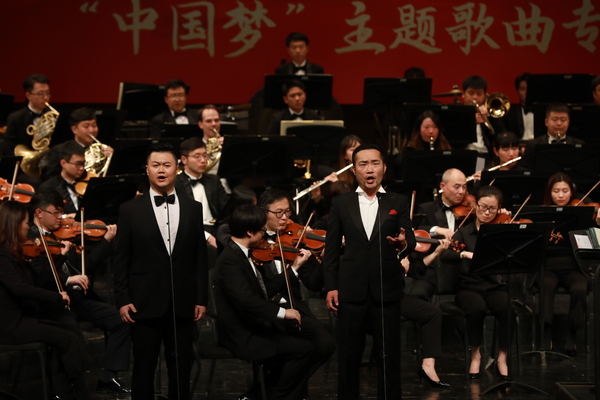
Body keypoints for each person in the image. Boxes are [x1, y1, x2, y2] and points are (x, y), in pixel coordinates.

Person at [324, 144, 447, 399]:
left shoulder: (397, 201)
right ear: (354, 170)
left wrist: (403, 244)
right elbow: (332, 250)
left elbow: (410, 240)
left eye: (375, 163)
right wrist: (331, 286)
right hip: (351, 290)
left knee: (389, 356)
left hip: (387, 290)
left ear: (384, 168)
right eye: (363, 164)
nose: (369, 169)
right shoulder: (341, 203)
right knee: (348, 356)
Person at [113, 143, 208, 400]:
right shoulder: (130, 209)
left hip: (183, 302)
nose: (161, 170)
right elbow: (121, 259)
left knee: (181, 368)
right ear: (147, 170)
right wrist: (122, 299)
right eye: (155, 165)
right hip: (143, 302)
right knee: (144, 368)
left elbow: (199, 257)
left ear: (177, 168)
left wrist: (201, 298)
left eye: (167, 165)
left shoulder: (193, 208)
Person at [214, 204, 334, 400]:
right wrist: (283, 313)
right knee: (302, 350)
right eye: (261, 230)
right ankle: (278, 396)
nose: (264, 235)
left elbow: (265, 289)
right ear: (249, 232)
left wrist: (293, 269)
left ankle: (266, 395)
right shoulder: (230, 260)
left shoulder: (243, 253)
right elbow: (246, 300)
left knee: (314, 346)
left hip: (257, 324)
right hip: (242, 333)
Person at [28, 188, 131, 393]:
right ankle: (68, 388)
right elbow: (39, 278)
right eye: (56, 213)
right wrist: (67, 276)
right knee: (71, 334)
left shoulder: (66, 235)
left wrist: (106, 242)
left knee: (122, 319)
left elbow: (87, 266)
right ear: (39, 213)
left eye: (61, 213)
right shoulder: (30, 240)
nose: (61, 218)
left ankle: (108, 377)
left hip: (76, 299)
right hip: (51, 303)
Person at [0, 201, 91, 400]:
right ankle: (79, 393)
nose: (28, 227)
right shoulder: (3, 255)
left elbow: (38, 280)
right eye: (25, 222)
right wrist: (56, 296)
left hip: (24, 318)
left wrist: (58, 260)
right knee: (67, 339)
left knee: (71, 331)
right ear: (14, 224)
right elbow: (20, 288)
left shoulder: (17, 253)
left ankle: (65, 391)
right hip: (10, 325)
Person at [441, 185, 511, 380]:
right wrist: (464, 254)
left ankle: (502, 357)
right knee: (475, 309)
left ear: (499, 209)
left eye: (492, 209)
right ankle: (475, 354)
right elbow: (446, 255)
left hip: (495, 286)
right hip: (469, 287)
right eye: (483, 207)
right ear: (475, 206)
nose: (487, 213)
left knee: (507, 307)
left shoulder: (501, 232)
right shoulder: (464, 232)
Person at [537, 173, 591, 355]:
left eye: (565, 191)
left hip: (572, 266)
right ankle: (546, 332)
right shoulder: (540, 213)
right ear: (549, 193)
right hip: (547, 266)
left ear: (571, 192)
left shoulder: (581, 212)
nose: (560, 195)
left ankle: (572, 334)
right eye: (556, 191)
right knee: (546, 285)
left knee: (580, 288)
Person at [412, 168, 469, 301]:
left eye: (464, 187)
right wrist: (437, 229)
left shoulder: (470, 211)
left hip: (460, 270)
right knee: (418, 293)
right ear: (442, 186)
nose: (461, 191)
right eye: (457, 187)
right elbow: (416, 229)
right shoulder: (427, 208)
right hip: (433, 270)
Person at [176, 137, 229, 248]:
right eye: (197, 156)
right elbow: (179, 220)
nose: (203, 160)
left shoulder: (214, 180)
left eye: (205, 155)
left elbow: (226, 211)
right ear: (184, 159)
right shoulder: (176, 184)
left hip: (216, 229)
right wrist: (207, 236)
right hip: (189, 232)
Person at [42, 107, 114, 180]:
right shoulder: (58, 150)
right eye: (86, 126)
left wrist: (112, 159)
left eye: (94, 126)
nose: (91, 130)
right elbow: (50, 177)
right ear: (74, 129)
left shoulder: (103, 150)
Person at [520, 103, 584, 170]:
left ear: (568, 122)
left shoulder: (579, 144)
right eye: (554, 119)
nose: (559, 124)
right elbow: (525, 170)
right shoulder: (533, 145)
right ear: (546, 122)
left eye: (563, 120)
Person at [1, 74, 52, 156]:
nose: (46, 97)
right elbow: (7, 147)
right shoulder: (16, 118)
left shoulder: (54, 116)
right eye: (40, 94)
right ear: (28, 95)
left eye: (47, 93)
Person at [38, 141, 86, 215]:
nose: (82, 168)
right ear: (63, 163)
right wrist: (65, 217)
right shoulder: (48, 187)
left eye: (83, 163)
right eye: (77, 164)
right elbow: (44, 215)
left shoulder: (87, 184)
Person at [462, 75, 506, 155]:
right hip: (464, 154)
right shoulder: (458, 114)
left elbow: (502, 136)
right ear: (463, 94)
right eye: (471, 93)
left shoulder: (488, 114)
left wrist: (489, 116)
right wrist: (470, 123)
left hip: (485, 154)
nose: (475, 97)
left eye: (479, 94)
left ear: (484, 96)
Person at [215, 185, 257, 249]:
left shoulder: (250, 223)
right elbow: (237, 249)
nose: (256, 211)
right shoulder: (224, 229)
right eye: (253, 208)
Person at [503, 73, 535, 140]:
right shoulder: (509, 112)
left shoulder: (545, 111)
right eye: (523, 89)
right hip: (518, 145)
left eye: (530, 89)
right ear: (517, 91)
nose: (526, 92)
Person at [197, 104, 224, 176]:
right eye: (209, 121)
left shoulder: (227, 144)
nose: (214, 124)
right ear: (200, 124)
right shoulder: (194, 147)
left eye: (216, 120)